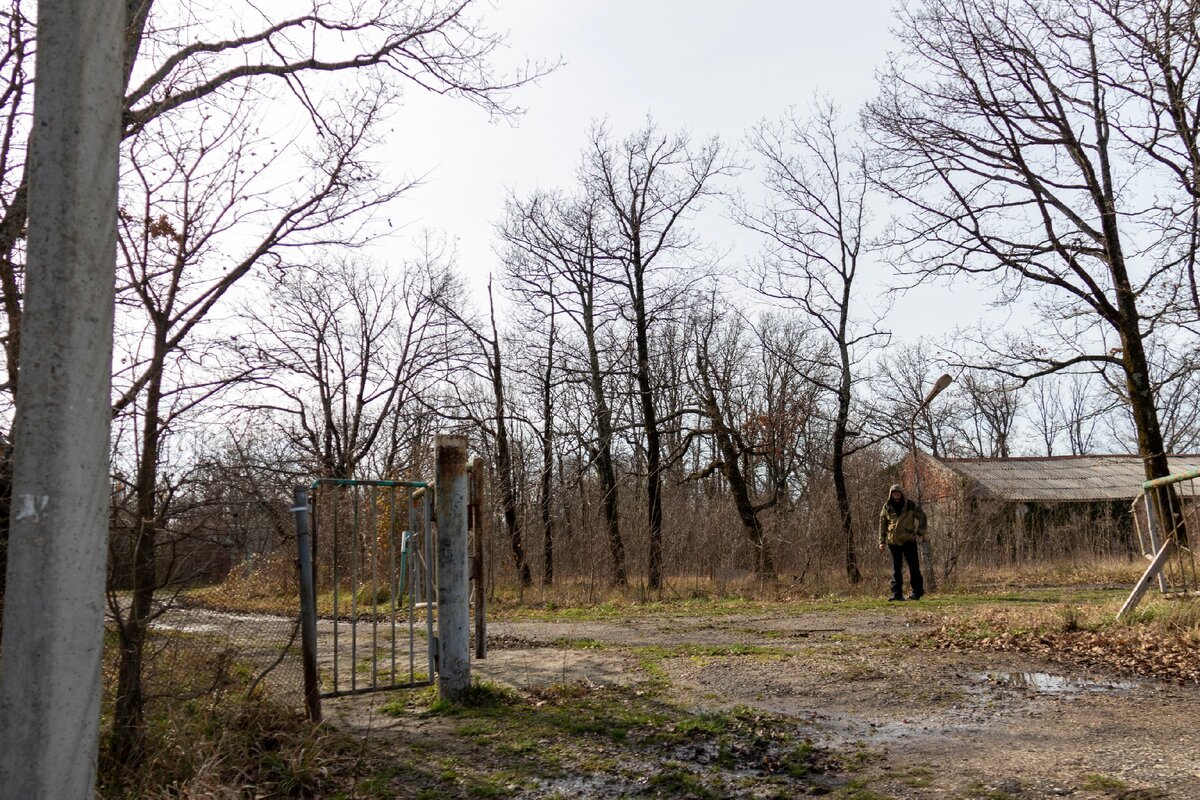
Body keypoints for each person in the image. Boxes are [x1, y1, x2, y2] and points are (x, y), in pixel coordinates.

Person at [878, 483, 927, 601]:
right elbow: (882, 524)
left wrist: (919, 533)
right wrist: (881, 541)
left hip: (908, 540)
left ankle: (917, 592)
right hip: (893, 541)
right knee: (896, 568)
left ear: (901, 493)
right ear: (891, 493)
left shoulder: (910, 505)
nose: (896, 494)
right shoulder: (887, 506)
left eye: (898, 492)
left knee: (914, 567)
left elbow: (922, 517)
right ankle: (897, 594)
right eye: (894, 492)